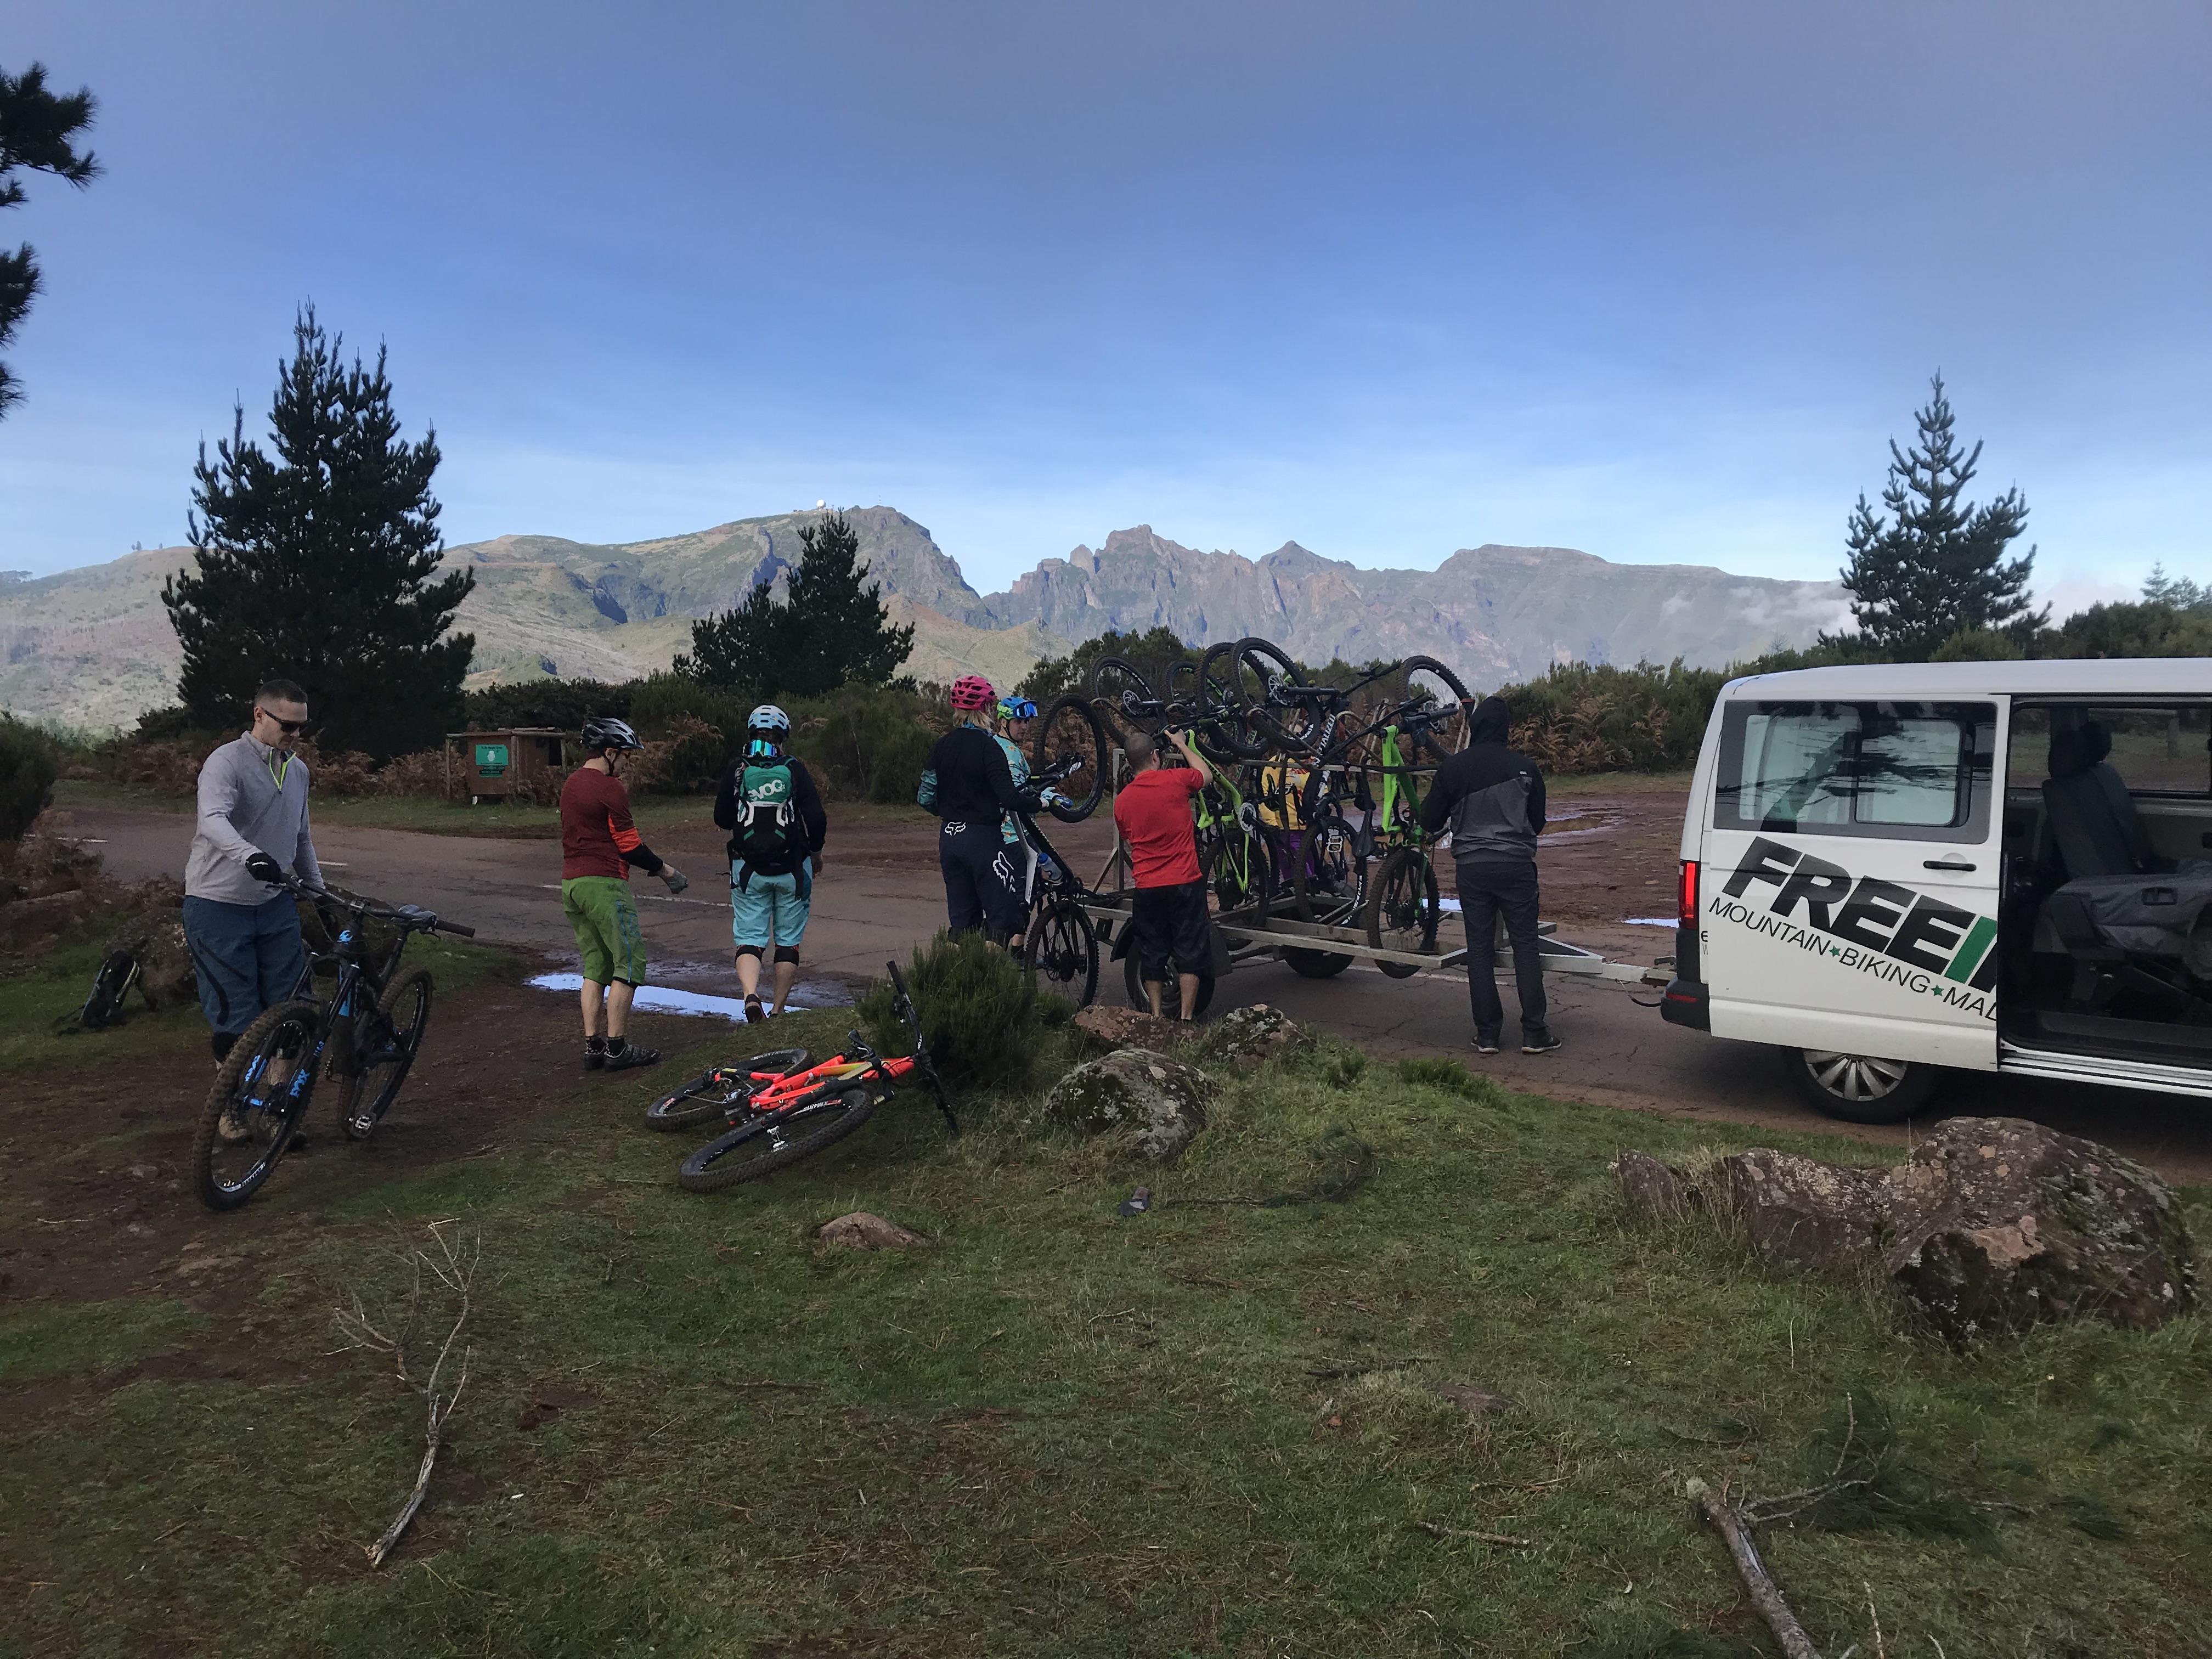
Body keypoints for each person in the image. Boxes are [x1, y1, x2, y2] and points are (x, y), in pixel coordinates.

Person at [184, 678, 328, 1138]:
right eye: (288, 725)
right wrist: (249, 855)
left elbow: (301, 837)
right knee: (237, 1016)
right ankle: (231, 1105)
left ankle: (278, 1105)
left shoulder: (297, 771)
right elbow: (212, 820)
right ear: (259, 715)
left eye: (302, 727)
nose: (296, 735)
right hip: (218, 905)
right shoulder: (226, 762)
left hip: (275, 905)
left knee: (292, 1007)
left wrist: (318, 892)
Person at [1418, 695, 1556, 1056]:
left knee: (1479, 950)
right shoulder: (1526, 768)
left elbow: (1429, 819)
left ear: (1476, 726)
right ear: (1506, 729)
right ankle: (1535, 1032)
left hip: (1472, 868)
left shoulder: (1454, 768)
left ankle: (1488, 1034)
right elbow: (1538, 822)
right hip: (1517, 867)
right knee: (1526, 946)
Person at [560, 716, 686, 1070]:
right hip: (605, 885)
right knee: (629, 962)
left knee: (595, 965)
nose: (628, 763)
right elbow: (630, 846)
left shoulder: (571, 784)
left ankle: (593, 1046)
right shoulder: (609, 788)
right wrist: (666, 871)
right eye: (626, 756)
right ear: (610, 752)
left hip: (572, 884)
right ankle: (617, 1049)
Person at [713, 704, 827, 1023]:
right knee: (788, 940)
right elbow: (817, 818)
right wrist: (816, 852)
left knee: (750, 936)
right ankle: (778, 1010)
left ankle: (751, 996)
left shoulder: (739, 768)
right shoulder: (793, 768)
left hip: (748, 870)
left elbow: (721, 818)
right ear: (783, 736)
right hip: (793, 869)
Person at [918, 675, 1032, 941]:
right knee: (1002, 922)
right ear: (987, 709)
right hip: (983, 840)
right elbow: (1009, 796)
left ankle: (954, 968)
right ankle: (993, 969)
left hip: (949, 838)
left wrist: (950, 811)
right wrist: (1042, 803)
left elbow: (925, 797)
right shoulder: (989, 747)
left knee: (962, 925)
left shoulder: (941, 745)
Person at [1112, 727, 1214, 1020]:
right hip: (1185, 881)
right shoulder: (1176, 780)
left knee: (1152, 951)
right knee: (1190, 950)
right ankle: (1185, 1018)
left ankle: (1156, 1017)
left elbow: (1127, 836)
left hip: (1148, 885)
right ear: (1155, 756)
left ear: (1129, 763)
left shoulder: (1122, 801)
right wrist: (1182, 745)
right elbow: (1205, 775)